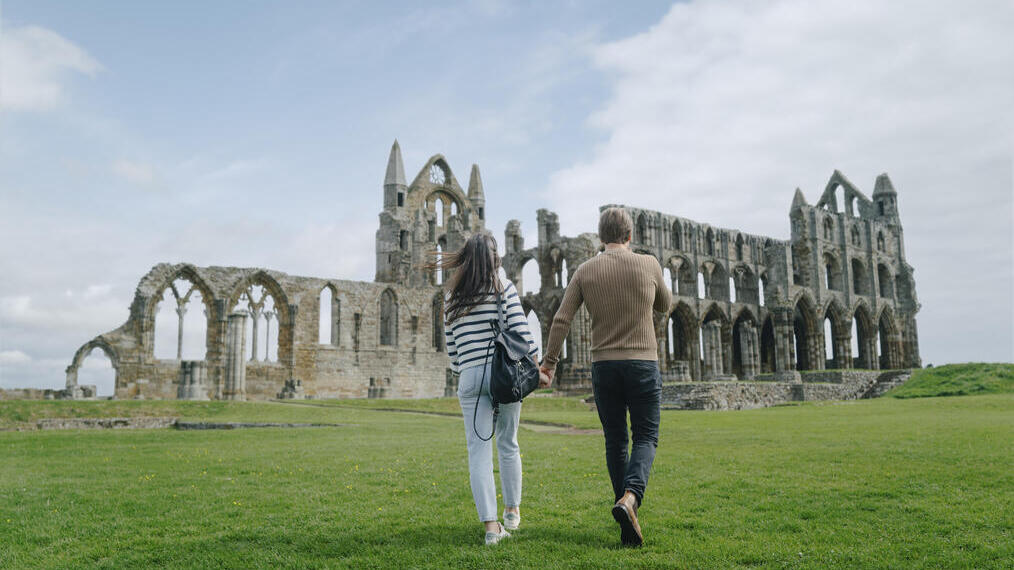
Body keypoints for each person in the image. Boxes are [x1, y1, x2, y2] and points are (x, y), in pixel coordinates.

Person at [539, 207, 671, 547]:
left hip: (604, 367)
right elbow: (665, 305)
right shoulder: (649, 264)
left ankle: (626, 513)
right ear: (630, 235)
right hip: (642, 363)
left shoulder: (585, 270)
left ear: (601, 237)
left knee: (615, 441)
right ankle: (631, 499)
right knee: (646, 436)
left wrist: (549, 363)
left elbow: (561, 319)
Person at [439, 231, 541, 546]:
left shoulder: (451, 297)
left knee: (478, 452)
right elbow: (521, 334)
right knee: (508, 442)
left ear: (465, 260)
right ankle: (512, 511)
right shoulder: (503, 288)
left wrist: (468, 370)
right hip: (503, 375)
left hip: (469, 377)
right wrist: (536, 366)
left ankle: (491, 527)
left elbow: (452, 350)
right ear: (494, 259)